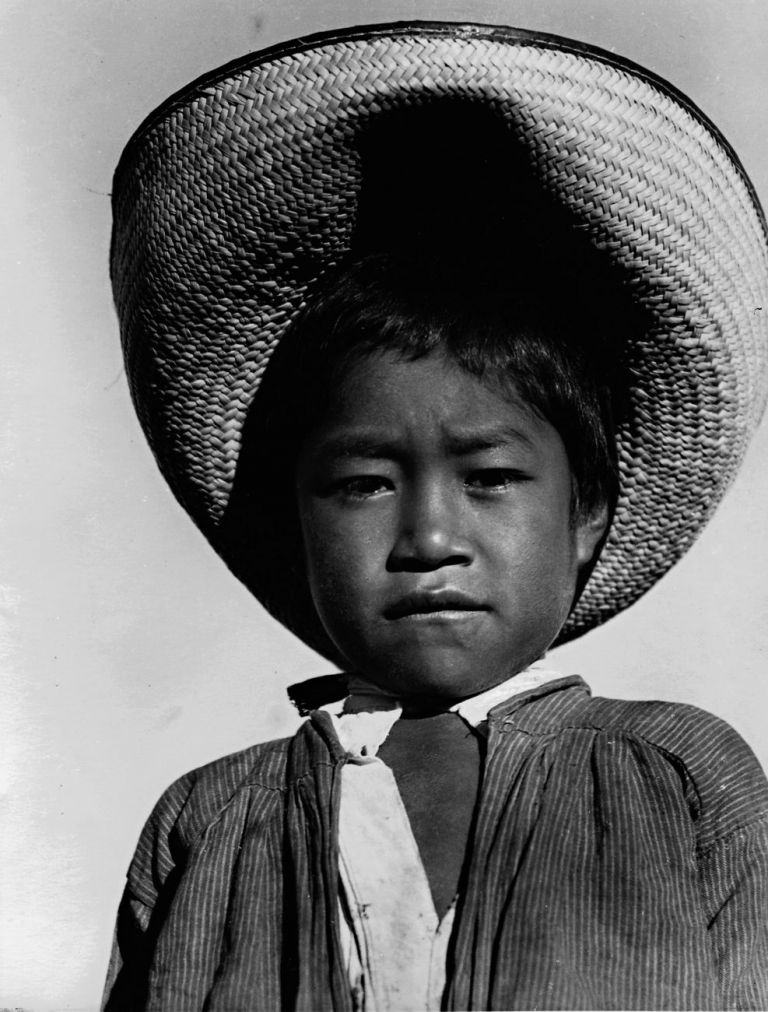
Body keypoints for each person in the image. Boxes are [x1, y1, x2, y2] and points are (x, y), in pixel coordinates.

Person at [102, 22, 768, 1011]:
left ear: (586, 514)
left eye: (491, 478)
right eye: (364, 483)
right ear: (295, 520)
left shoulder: (681, 777)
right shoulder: (204, 822)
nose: (427, 538)